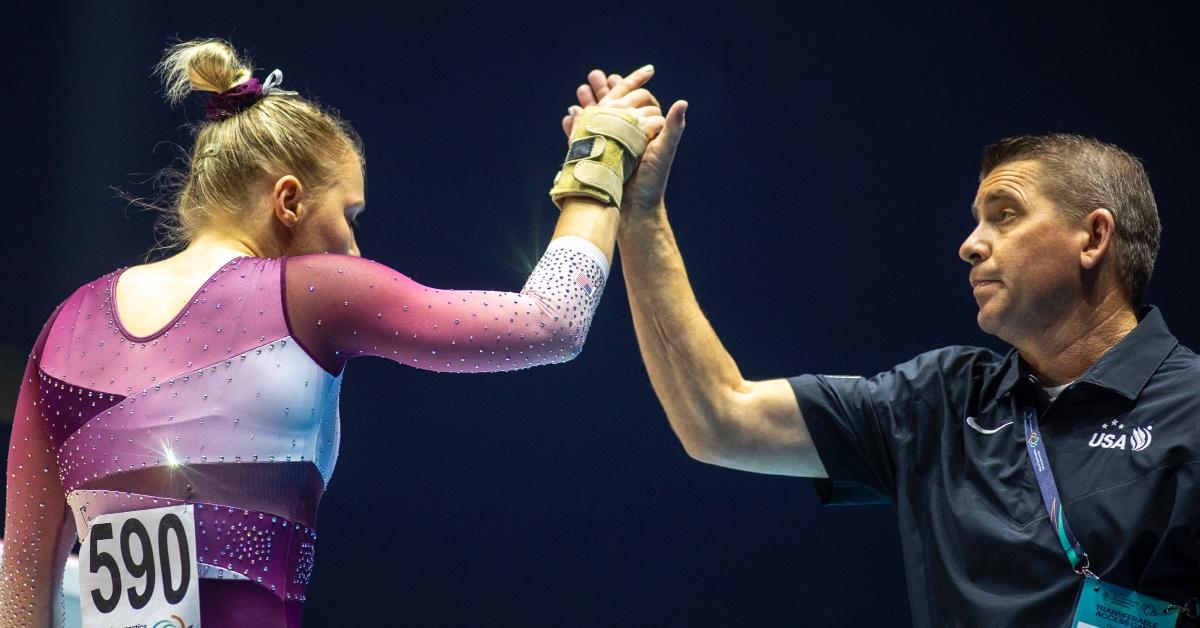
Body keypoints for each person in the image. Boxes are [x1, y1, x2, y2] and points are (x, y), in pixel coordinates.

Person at [0, 39, 668, 627]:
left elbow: (22, 586)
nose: (352, 247)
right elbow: (551, 323)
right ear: (287, 201)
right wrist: (601, 154)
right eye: (348, 214)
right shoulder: (310, 290)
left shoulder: (65, 326)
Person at [569, 72, 1199, 626]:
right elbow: (720, 418)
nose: (971, 245)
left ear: (1093, 237)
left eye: (1004, 214)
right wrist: (641, 213)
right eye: (976, 220)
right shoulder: (942, 401)